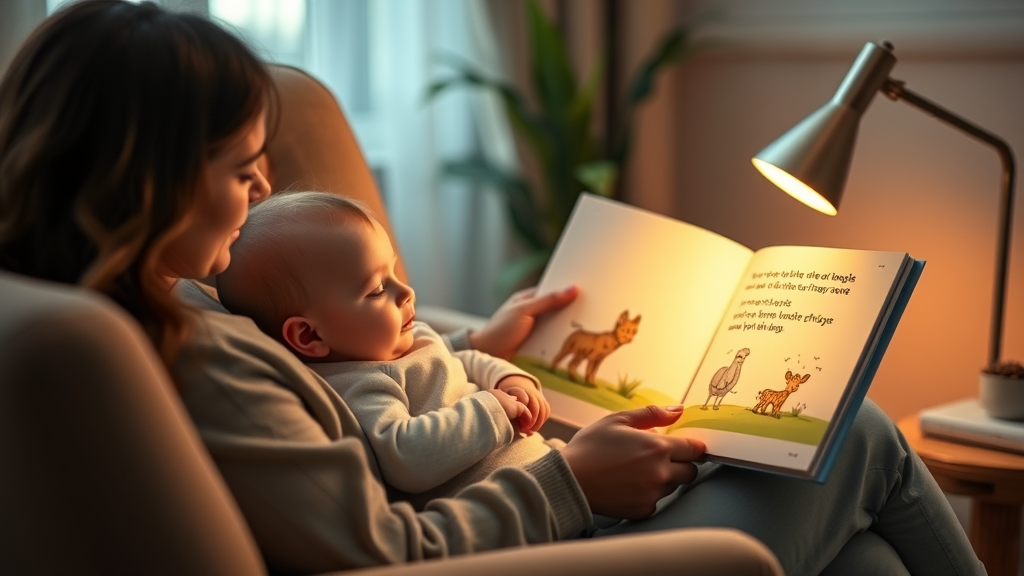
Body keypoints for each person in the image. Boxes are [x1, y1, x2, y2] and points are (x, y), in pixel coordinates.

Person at [0, 2, 983, 576]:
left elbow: (363, 367)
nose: (260, 191)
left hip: (508, 500)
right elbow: (378, 550)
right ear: (148, 177)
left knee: (863, 559)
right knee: (854, 440)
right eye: (239, 168)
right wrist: (571, 480)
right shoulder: (187, 351)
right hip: (506, 547)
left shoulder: (157, 302)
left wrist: (496, 346)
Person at [217, 191, 564, 508]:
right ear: (309, 336)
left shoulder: (404, 340)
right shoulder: (360, 387)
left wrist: (506, 378)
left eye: (394, 271)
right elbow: (407, 456)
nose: (407, 291)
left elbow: (461, 359)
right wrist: (492, 409)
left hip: (546, 460)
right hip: (521, 506)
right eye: (377, 288)